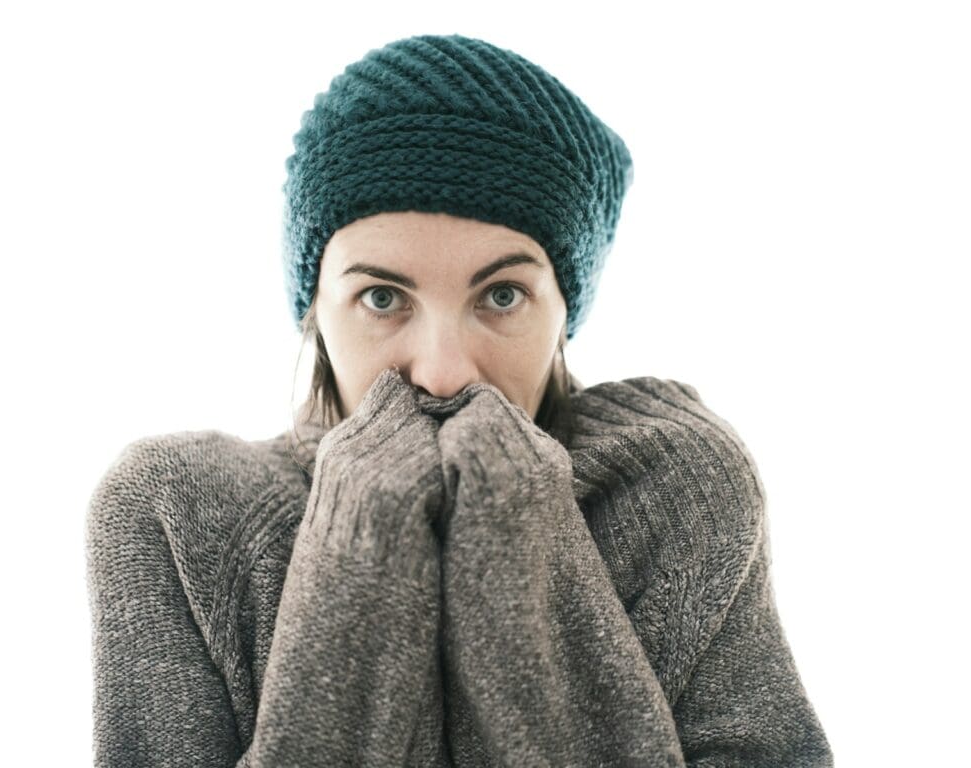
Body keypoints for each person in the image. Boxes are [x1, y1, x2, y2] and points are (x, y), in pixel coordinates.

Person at [84, 33, 834, 766]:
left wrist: (522, 545)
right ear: (314, 307)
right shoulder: (177, 512)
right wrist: (359, 546)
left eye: (501, 295)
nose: (442, 374)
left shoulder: (676, 488)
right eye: (382, 297)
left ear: (563, 311)